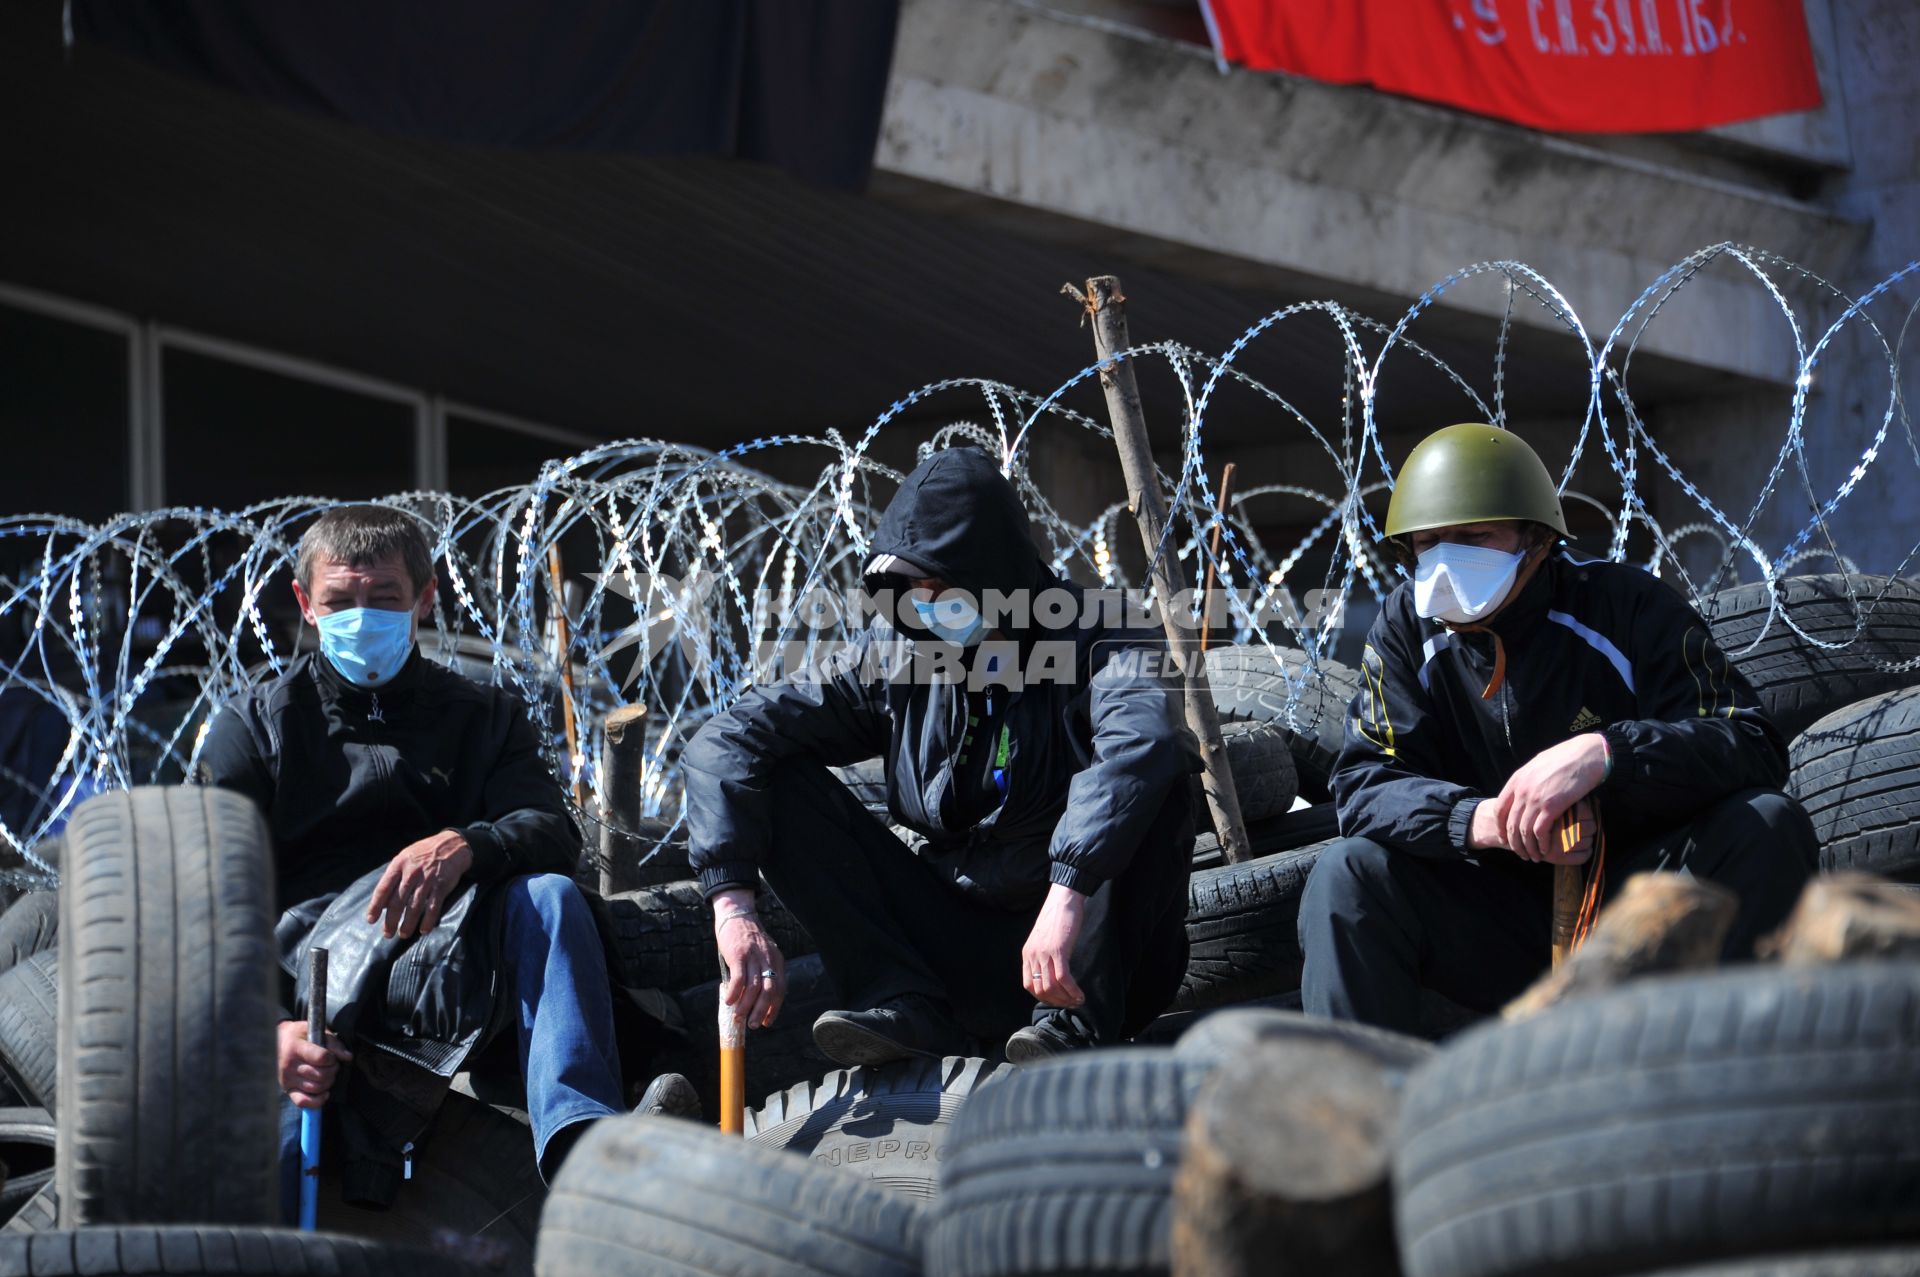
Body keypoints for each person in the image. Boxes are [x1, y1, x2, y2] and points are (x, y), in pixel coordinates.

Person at [198, 505, 692, 1211]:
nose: (361, 616)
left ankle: (585, 1148)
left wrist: (471, 843)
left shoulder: (483, 714)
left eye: (385, 598)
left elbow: (552, 829)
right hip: (316, 982)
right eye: (340, 600)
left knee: (548, 896)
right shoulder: (255, 728)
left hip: (448, 960)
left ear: (425, 599)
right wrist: (266, 1028)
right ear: (306, 604)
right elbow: (211, 897)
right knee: (251, 1195)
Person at [681, 447, 1197, 1065]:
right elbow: (728, 738)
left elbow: (1141, 742)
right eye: (914, 593)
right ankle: (905, 1001)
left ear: (995, 572)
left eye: (941, 587)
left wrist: (1069, 889)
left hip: (1081, 953)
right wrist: (731, 906)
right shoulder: (899, 654)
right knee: (780, 776)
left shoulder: (1106, 634)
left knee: (1161, 779)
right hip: (957, 940)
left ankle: (1070, 1030)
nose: (927, 608)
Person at [1298, 423, 1817, 1032]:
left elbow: (1748, 740)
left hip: (1637, 904)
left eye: (1472, 537)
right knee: (1346, 874)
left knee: (1767, 823)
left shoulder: (1625, 605)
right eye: (1429, 541)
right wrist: (1480, 819)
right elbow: (1365, 784)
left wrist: (1607, 756)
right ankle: (1354, 1110)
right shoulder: (1405, 630)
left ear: (1537, 539)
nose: (1445, 559)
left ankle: (1747, 1080)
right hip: (1496, 916)